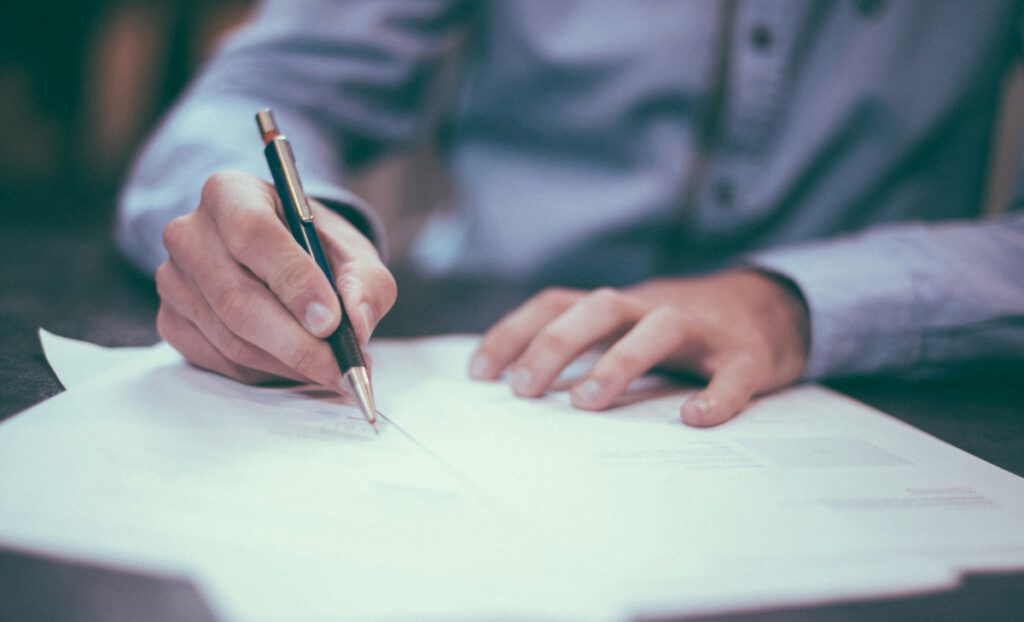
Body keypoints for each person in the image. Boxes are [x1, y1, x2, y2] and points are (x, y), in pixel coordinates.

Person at [117, 1, 1024, 427]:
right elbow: (258, 91)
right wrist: (261, 226)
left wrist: (793, 300)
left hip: (892, 393)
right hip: (483, 355)